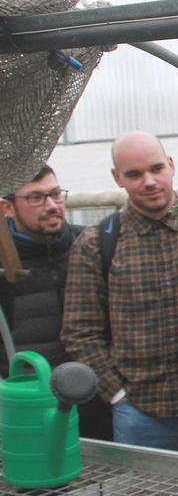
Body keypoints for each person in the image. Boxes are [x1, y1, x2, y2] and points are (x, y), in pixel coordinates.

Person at [61, 132, 178, 455]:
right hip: (142, 414)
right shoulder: (98, 244)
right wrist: (117, 394)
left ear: (171, 166)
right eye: (134, 174)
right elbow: (79, 332)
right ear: (117, 177)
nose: (149, 181)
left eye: (156, 168)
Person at [0, 165, 111, 440]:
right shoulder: (4, 265)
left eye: (56, 194)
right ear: (7, 208)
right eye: (36, 198)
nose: (51, 205)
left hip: (94, 400)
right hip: (29, 403)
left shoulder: (91, 244)